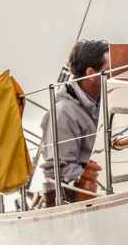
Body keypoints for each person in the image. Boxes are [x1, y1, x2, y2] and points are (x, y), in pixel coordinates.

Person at [41, 39, 110, 205]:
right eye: (109, 70)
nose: (115, 75)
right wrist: (94, 176)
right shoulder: (63, 113)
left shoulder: (107, 100)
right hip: (83, 198)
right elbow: (58, 170)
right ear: (91, 73)